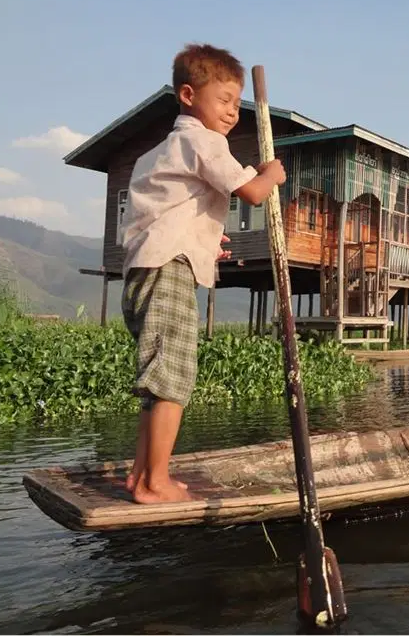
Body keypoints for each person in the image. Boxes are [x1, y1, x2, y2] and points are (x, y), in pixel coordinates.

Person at [120, 43, 286, 504]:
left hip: (146, 269)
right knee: (172, 378)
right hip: (168, 269)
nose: (233, 112)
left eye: (237, 101)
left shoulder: (160, 151)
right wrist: (271, 174)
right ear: (189, 95)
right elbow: (251, 191)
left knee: (158, 381)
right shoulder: (203, 141)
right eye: (224, 100)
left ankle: (140, 476)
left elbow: (168, 212)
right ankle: (155, 483)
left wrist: (206, 239)